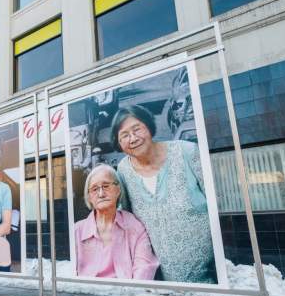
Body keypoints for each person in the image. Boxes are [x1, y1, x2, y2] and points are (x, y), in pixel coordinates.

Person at [111, 105, 216, 283]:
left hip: (210, 276)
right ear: (119, 143)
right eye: (125, 135)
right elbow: (128, 221)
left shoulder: (187, 152)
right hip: (161, 281)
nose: (133, 138)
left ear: (149, 127)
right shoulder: (123, 170)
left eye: (137, 129)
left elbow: (216, 203)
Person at [75, 164, 159, 279]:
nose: (101, 194)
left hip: (126, 294)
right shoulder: (77, 231)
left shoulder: (134, 226)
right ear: (89, 197)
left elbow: (144, 268)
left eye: (106, 186)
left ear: (118, 190)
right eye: (95, 189)